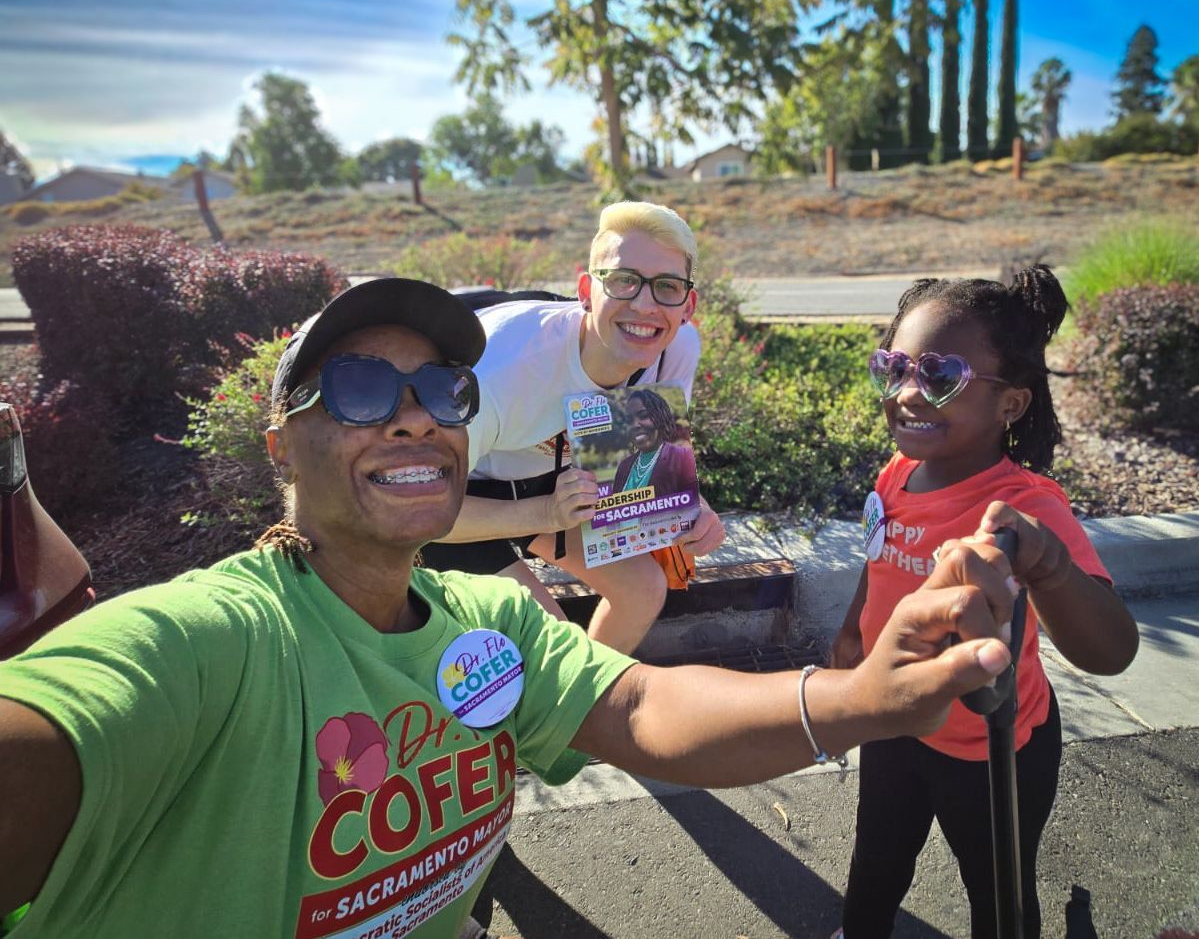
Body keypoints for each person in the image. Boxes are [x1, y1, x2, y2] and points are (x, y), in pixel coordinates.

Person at [0, 277, 1023, 939]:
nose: (414, 417)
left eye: (443, 392)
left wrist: (862, 698)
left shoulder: (491, 621)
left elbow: (639, 706)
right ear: (281, 445)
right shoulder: (209, 641)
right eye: (358, 390)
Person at [829, 265, 1139, 939]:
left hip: (990, 743)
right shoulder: (898, 471)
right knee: (876, 860)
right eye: (894, 368)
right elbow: (881, 557)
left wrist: (1047, 563)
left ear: (1011, 404)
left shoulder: (1026, 507)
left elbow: (1112, 650)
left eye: (939, 375)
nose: (907, 392)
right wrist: (854, 629)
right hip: (893, 717)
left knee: (997, 891)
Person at [420, 201, 724, 654]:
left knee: (643, 590)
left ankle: (588, 698)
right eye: (623, 280)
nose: (645, 305)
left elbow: (650, 460)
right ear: (586, 290)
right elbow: (422, 512)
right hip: (456, 500)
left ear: (687, 306)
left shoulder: (675, 349)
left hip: (548, 482)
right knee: (551, 642)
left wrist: (691, 509)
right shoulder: (502, 371)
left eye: (667, 286)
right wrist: (545, 513)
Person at [610, 387, 698, 498]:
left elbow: (694, 503)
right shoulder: (624, 467)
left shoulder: (682, 457)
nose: (635, 425)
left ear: (660, 416)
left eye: (644, 416)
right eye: (629, 420)